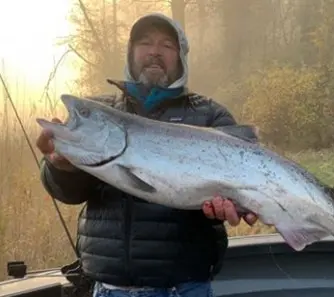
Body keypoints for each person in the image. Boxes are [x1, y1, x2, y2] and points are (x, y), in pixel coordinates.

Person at [35, 13, 258, 297]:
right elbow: (71, 193)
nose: (154, 51)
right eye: (145, 43)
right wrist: (60, 167)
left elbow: (230, 196)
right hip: (110, 289)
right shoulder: (100, 112)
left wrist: (226, 209)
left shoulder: (210, 116)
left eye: (167, 45)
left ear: (181, 57)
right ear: (130, 52)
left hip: (185, 288)